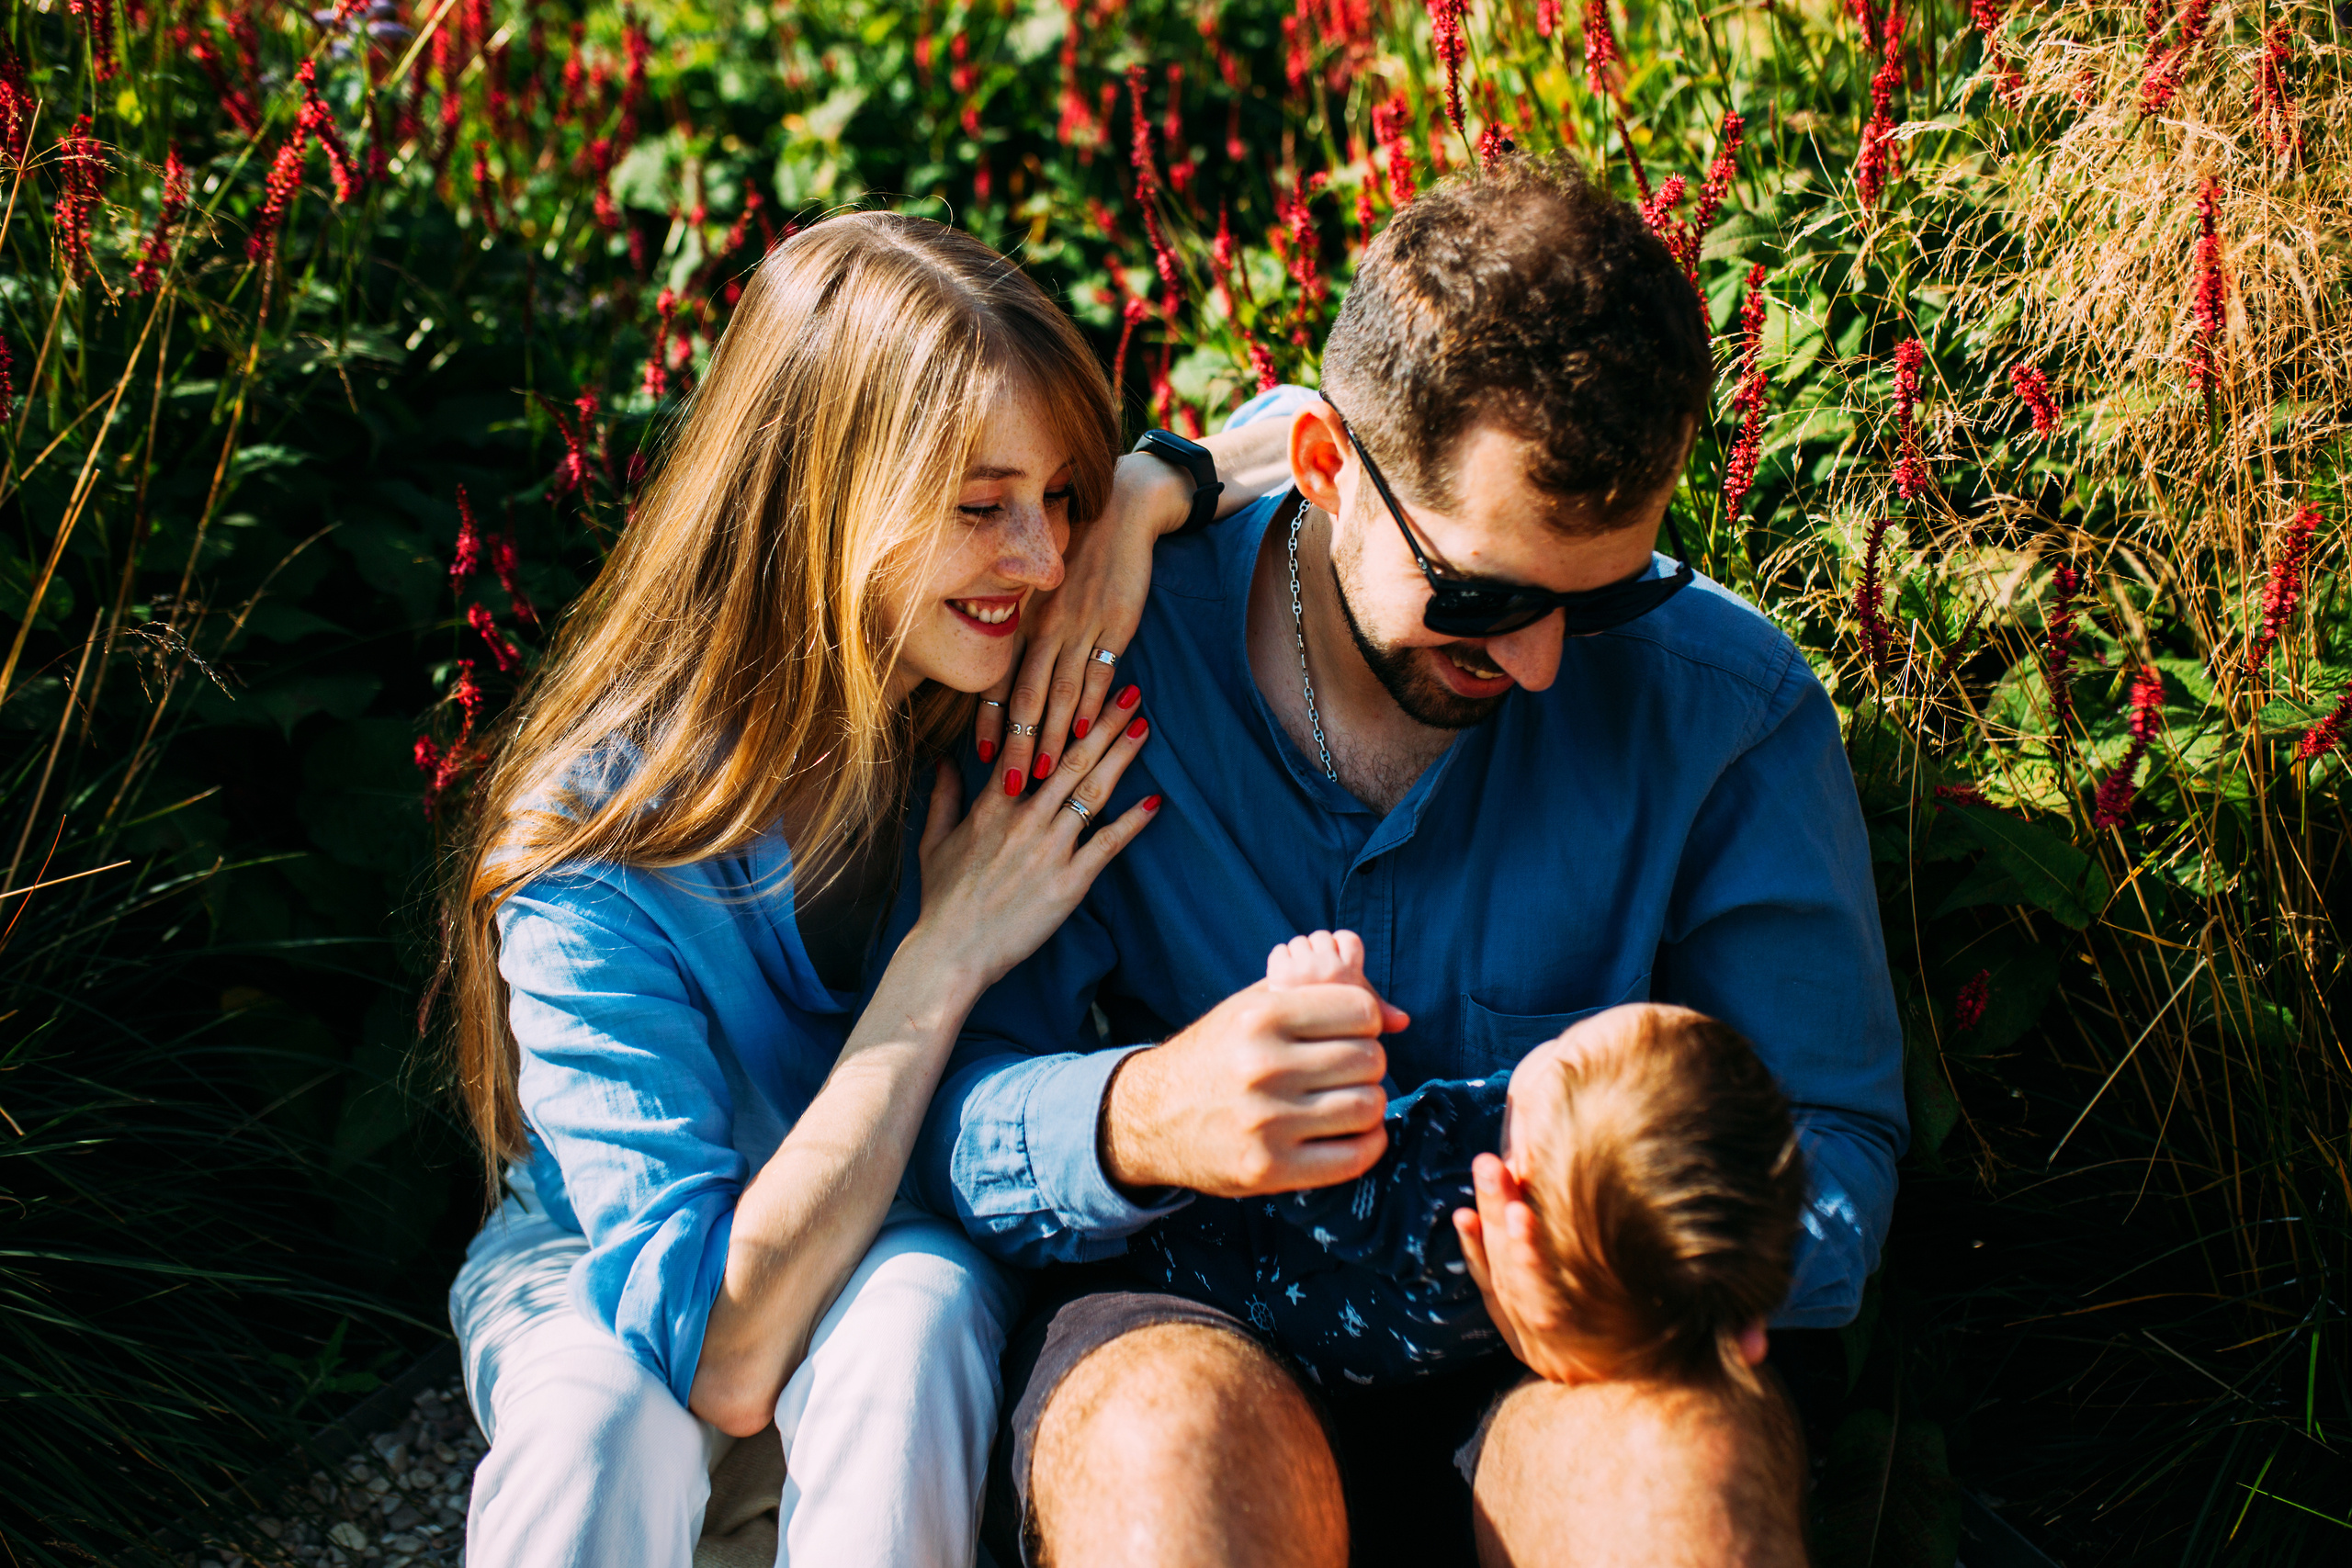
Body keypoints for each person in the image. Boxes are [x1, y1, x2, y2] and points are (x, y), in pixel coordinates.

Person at [894, 155, 1908, 1566]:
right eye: (1480, 597)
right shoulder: (1103, 661)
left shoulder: (1722, 710)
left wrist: (1628, 1254)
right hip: (1193, 1314)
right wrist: (1143, 1115)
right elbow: (937, 1110)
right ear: (1327, 470)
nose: (1539, 663)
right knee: (1166, 1449)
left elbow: (1837, 1141)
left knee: (1667, 1485)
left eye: (1600, 602)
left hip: (1584, 1347)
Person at [434, 212, 1263, 1568]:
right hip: (614, 1262)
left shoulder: (989, 678)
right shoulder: (597, 837)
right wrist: (943, 957)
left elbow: (1339, 442)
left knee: (909, 1336)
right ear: (818, 499)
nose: (1044, 559)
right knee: (599, 1425)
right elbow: (717, 1345)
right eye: (980, 505)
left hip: (903, 1233)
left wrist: (1148, 493)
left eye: (1062, 496)